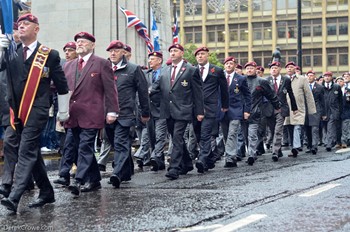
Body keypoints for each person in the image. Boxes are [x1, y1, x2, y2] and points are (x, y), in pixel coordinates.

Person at [0, 13, 69, 213]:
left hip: (37, 110)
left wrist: (63, 111)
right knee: (18, 147)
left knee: (26, 149)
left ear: (36, 28)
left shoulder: (49, 54)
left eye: (26, 24)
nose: (21, 27)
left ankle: (14, 195)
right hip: (16, 112)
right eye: (19, 24)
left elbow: (62, 86)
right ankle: (46, 191)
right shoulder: (11, 52)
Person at [55, 32, 119, 196]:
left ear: (92, 45)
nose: (79, 44)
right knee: (81, 147)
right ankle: (95, 180)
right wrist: (61, 112)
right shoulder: (68, 65)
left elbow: (110, 89)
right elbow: (62, 90)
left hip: (92, 113)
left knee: (85, 146)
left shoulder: (101, 63)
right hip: (73, 114)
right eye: (77, 42)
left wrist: (112, 111)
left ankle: (79, 179)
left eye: (83, 41)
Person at [151, 43, 204, 179]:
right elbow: (155, 89)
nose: (172, 53)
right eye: (171, 51)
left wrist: (199, 111)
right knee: (176, 139)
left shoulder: (190, 70)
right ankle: (187, 163)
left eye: (175, 51)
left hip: (184, 110)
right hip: (167, 110)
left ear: (182, 53)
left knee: (177, 137)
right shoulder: (164, 70)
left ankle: (174, 167)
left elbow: (198, 93)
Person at [103, 40, 149, 188]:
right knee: (116, 144)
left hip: (125, 114)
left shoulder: (133, 69)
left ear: (123, 52)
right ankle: (127, 171)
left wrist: (145, 113)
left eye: (116, 50)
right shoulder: (104, 68)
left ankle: (116, 173)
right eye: (111, 51)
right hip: (107, 115)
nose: (113, 53)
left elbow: (143, 92)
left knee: (121, 143)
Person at [193, 46, 229, 173]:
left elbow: (224, 89)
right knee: (197, 134)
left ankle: (202, 159)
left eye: (202, 54)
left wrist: (225, 105)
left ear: (207, 55)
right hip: (195, 108)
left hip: (210, 107)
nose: (200, 56)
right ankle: (209, 159)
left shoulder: (217, 70)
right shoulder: (192, 70)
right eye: (198, 55)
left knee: (205, 134)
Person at [243, 61, 281, 165]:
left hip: (256, 112)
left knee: (252, 134)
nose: (249, 70)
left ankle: (251, 154)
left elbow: (271, 95)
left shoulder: (261, 82)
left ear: (256, 69)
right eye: (247, 68)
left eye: (251, 68)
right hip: (242, 113)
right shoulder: (242, 80)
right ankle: (250, 152)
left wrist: (277, 105)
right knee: (245, 135)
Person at [218, 56, 251, 168]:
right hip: (222, 110)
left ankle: (230, 158)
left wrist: (247, 110)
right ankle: (232, 154)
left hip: (236, 110)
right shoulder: (219, 77)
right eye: (227, 63)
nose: (228, 65)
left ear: (235, 65)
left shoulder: (241, 79)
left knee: (232, 133)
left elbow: (247, 95)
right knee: (226, 135)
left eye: (231, 63)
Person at [266, 61, 297, 161]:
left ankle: (274, 152)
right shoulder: (267, 80)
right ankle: (278, 149)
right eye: (272, 68)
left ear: (279, 69)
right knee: (272, 130)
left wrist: (294, 108)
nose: (274, 70)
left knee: (278, 130)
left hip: (281, 108)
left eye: (275, 68)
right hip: (269, 109)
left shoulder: (285, 80)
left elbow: (291, 93)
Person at [284, 61, 316, 157]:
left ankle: (295, 147)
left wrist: (311, 110)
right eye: (287, 67)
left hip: (298, 107)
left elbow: (308, 94)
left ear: (295, 68)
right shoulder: (284, 79)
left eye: (291, 67)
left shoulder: (302, 79)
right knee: (289, 126)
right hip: (286, 107)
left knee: (297, 126)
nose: (289, 68)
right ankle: (293, 146)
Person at [305, 70, 326, 154]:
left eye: (311, 75)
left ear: (314, 77)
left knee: (314, 128)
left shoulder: (319, 87)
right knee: (307, 129)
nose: (310, 77)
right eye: (308, 75)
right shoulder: (304, 86)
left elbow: (322, 101)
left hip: (316, 110)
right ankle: (309, 145)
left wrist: (323, 113)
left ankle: (314, 146)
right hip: (306, 110)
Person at [322, 71, 343, 152]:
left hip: (334, 110)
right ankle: (332, 141)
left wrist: (339, 111)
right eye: (325, 76)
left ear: (331, 77)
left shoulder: (336, 87)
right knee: (326, 127)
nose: (327, 77)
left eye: (328, 76)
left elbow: (340, 100)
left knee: (331, 126)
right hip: (324, 111)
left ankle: (329, 144)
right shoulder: (321, 87)